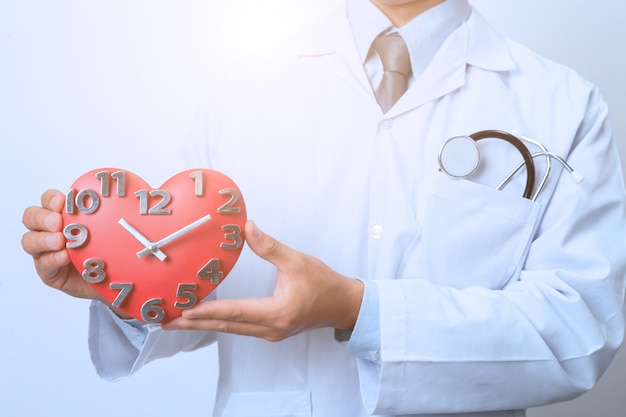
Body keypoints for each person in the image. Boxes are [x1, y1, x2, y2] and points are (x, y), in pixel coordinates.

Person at [21, 0, 626, 416]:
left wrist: (359, 309)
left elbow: (578, 329)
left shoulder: (561, 107)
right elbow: (196, 290)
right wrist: (120, 282)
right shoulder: (243, 83)